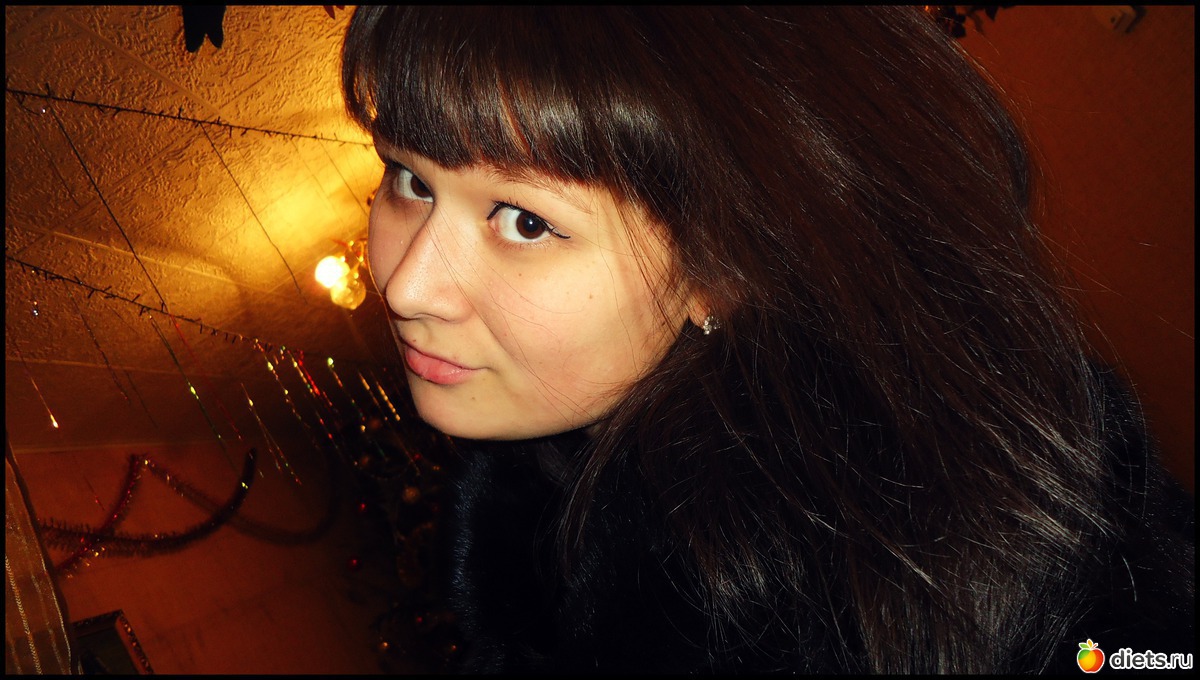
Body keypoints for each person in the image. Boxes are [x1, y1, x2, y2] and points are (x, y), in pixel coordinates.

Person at [340, 6, 1194, 673]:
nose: (408, 285)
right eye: (409, 177)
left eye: (525, 221)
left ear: (726, 267)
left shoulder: (944, 577)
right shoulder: (545, 506)